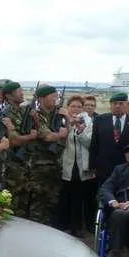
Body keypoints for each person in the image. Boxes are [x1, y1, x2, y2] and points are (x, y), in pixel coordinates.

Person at [24, 85, 67, 226]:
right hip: (39, 166)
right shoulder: (35, 115)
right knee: (38, 203)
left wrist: (66, 117)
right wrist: (60, 134)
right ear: (41, 98)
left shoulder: (58, 114)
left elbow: (68, 133)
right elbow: (46, 136)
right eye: (52, 96)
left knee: (52, 202)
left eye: (57, 96)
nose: (56, 99)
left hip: (55, 165)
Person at [89, 92, 129, 187]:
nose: (117, 106)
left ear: (126, 105)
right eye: (114, 103)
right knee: (104, 195)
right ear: (110, 105)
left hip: (127, 166)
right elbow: (94, 144)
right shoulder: (100, 120)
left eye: (121, 103)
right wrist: (92, 166)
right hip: (103, 167)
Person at [58, 95, 94, 235]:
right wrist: (68, 123)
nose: (76, 109)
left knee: (78, 196)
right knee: (65, 194)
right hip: (65, 163)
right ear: (68, 107)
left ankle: (76, 227)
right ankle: (62, 224)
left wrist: (79, 130)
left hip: (81, 164)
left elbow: (89, 142)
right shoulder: (61, 120)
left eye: (79, 106)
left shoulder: (88, 121)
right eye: (73, 106)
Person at [1, 81, 38, 218]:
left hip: (26, 163)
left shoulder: (24, 111)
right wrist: (30, 136)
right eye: (18, 91)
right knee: (13, 202)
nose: (22, 93)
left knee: (25, 201)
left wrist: (35, 120)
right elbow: (14, 140)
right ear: (9, 96)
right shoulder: (5, 113)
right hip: (13, 164)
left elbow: (37, 132)